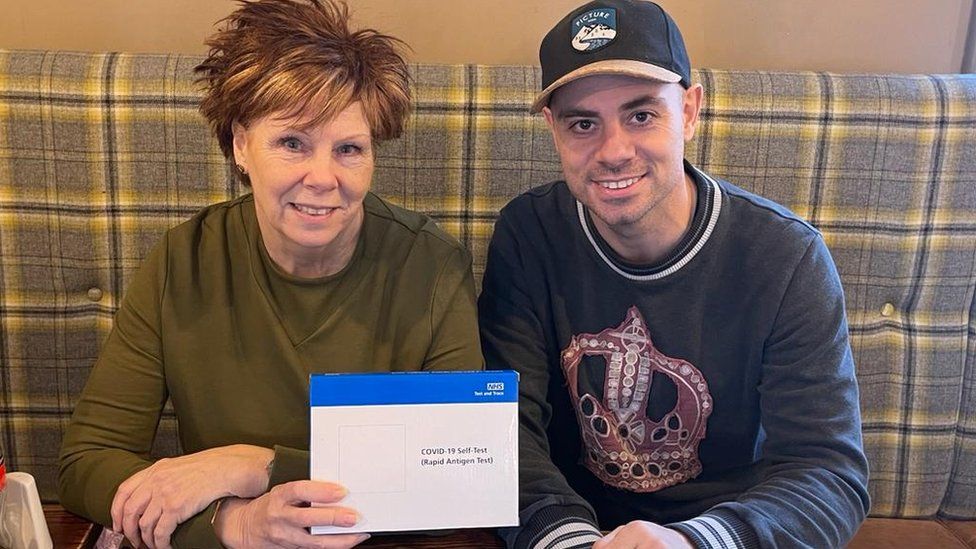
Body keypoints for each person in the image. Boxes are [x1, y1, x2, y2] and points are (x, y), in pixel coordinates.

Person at [57, 1, 483, 548]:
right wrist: (233, 522)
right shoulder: (180, 263)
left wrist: (253, 466)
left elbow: (459, 482)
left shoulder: (432, 265)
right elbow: (86, 463)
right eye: (292, 143)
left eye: (349, 149)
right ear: (240, 144)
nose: (323, 178)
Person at [478, 1, 870, 547]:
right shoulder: (528, 234)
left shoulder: (785, 256)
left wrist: (693, 541)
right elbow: (504, 428)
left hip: (724, 532)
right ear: (553, 129)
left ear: (688, 111)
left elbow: (827, 472)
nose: (614, 152)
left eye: (641, 115)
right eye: (583, 123)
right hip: (570, 530)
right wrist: (568, 538)